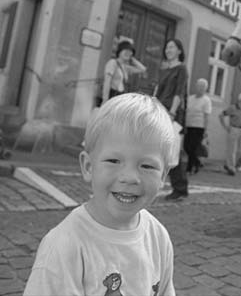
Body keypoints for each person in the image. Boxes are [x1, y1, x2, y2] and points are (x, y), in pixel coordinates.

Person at [23, 93, 178, 296]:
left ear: (163, 177)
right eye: (114, 161)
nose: (130, 177)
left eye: (147, 166)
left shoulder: (158, 237)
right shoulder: (65, 245)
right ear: (88, 167)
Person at [156, 38, 189, 201]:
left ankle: (180, 187)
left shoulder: (181, 69)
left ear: (179, 51)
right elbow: (158, 90)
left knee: (173, 150)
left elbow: (179, 91)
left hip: (172, 113)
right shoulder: (165, 69)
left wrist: (173, 111)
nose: (168, 50)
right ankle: (158, 181)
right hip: (160, 110)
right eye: (167, 47)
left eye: (172, 47)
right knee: (160, 147)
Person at [101, 40, 146, 105]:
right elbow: (107, 82)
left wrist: (132, 59)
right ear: (119, 51)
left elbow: (143, 69)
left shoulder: (125, 67)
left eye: (130, 52)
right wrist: (105, 99)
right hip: (112, 96)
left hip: (120, 97)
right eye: (126, 51)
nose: (128, 53)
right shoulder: (113, 63)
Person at [219, 92, 241, 176]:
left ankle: (229, 164)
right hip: (234, 128)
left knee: (240, 150)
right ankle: (231, 167)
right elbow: (221, 115)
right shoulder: (233, 108)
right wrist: (226, 127)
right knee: (231, 149)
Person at [184, 78, 212, 175]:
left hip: (199, 127)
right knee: (186, 146)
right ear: (196, 87)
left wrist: (205, 130)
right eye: (199, 86)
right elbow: (186, 111)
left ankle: (189, 168)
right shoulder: (190, 98)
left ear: (205, 89)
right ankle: (197, 162)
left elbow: (206, 116)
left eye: (203, 87)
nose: (200, 88)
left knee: (193, 147)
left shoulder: (206, 100)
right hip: (189, 125)